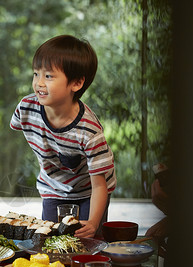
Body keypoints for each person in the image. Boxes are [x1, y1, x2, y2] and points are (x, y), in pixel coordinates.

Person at [10, 35, 116, 238]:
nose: (39, 83)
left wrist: (94, 223)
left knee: (87, 240)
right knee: (49, 240)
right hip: (53, 187)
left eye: (48, 76)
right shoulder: (25, 109)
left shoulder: (89, 131)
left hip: (90, 192)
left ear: (76, 83)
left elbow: (100, 185)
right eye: (36, 74)